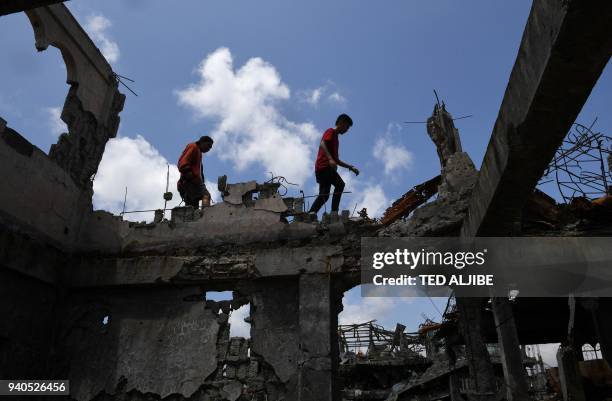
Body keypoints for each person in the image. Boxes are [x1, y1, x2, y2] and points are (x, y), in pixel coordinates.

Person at [309, 114, 360, 215]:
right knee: (340, 185)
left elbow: (336, 160)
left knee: (324, 195)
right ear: (341, 123)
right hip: (324, 167)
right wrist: (330, 159)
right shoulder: (331, 131)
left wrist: (350, 167)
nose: (347, 130)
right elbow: (322, 144)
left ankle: (311, 214)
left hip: (323, 169)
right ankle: (334, 212)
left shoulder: (336, 139)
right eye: (347, 127)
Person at [177, 135, 214, 208]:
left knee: (192, 207)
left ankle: (193, 217)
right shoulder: (193, 146)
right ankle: (206, 212)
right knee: (206, 195)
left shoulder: (199, 153)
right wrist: (188, 173)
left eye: (210, 148)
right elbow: (183, 161)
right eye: (208, 145)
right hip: (191, 182)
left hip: (192, 183)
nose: (209, 149)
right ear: (202, 142)